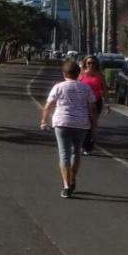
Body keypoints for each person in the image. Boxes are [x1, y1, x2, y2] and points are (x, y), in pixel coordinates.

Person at [39, 59, 97, 198]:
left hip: (62, 123)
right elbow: (92, 107)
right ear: (78, 73)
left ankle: (66, 185)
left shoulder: (58, 87)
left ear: (63, 73)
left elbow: (48, 105)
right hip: (81, 123)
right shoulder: (85, 88)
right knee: (75, 153)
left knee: (64, 154)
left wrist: (43, 121)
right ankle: (72, 180)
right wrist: (94, 124)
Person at [78, 55, 106, 155]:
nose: (91, 65)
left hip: (96, 102)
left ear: (96, 64)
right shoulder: (81, 75)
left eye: (93, 63)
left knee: (92, 124)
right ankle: (82, 144)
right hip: (83, 102)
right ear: (85, 64)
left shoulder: (100, 75)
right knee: (83, 123)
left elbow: (104, 90)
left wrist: (107, 104)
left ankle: (88, 146)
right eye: (89, 63)